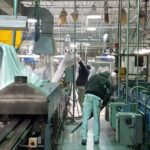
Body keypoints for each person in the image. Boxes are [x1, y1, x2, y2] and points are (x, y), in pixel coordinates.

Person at [80, 71, 112, 145]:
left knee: (85, 118)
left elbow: (86, 85)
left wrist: (87, 93)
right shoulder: (107, 81)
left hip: (88, 96)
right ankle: (96, 139)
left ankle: (84, 139)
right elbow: (108, 94)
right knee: (96, 119)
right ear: (107, 76)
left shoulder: (93, 76)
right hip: (97, 98)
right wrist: (103, 104)